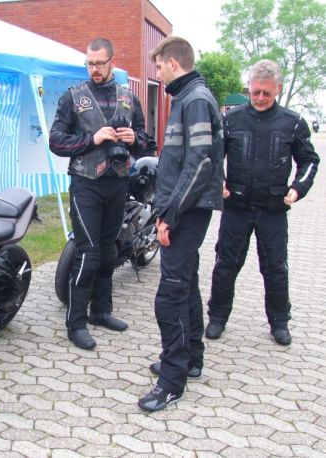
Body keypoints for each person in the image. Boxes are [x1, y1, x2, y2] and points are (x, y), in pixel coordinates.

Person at [206, 59, 320, 346]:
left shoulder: (293, 123)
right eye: (255, 91)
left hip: (273, 210)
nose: (259, 97)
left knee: (275, 268)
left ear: (278, 89)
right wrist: (218, 180)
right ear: (249, 87)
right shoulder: (230, 120)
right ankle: (217, 316)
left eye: (265, 93)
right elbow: (212, 157)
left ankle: (279, 322)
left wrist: (298, 189)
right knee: (225, 264)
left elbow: (309, 161)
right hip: (237, 207)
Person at [138, 36, 224, 412]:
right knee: (185, 286)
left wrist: (169, 216)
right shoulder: (187, 97)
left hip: (186, 212)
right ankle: (190, 360)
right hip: (183, 209)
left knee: (169, 296)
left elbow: (200, 164)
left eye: (158, 66)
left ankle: (172, 381)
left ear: (173, 63)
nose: (157, 72)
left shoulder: (195, 99)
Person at [49, 38, 148, 350]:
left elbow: (146, 141)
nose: (94, 69)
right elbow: (56, 141)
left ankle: (101, 311)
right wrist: (92, 139)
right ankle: (75, 322)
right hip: (86, 184)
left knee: (108, 251)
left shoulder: (129, 98)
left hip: (117, 183)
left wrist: (134, 138)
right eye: (89, 63)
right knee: (88, 252)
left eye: (99, 63)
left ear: (112, 62)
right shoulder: (72, 97)